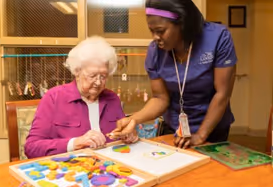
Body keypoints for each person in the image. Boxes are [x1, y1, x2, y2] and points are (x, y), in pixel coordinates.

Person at [109, 0, 237, 149]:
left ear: (182, 24)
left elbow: (222, 94)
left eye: (161, 31)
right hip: (175, 129)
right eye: (151, 31)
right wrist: (133, 120)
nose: (155, 37)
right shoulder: (155, 52)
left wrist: (201, 135)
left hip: (213, 129)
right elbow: (160, 98)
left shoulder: (218, 38)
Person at [25, 36, 138, 159]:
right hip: (70, 171)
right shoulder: (53, 98)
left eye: (103, 76)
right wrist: (76, 143)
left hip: (110, 170)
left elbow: (122, 135)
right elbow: (31, 147)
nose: (99, 82)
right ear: (77, 71)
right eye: (93, 75)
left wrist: (129, 136)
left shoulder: (112, 98)